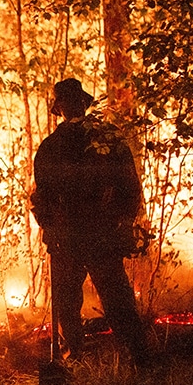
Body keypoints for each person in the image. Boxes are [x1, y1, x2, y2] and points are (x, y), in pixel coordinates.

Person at [31, 78, 150, 365]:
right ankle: (78, 362)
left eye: (74, 101)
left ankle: (137, 359)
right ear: (60, 107)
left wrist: (121, 222)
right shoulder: (55, 147)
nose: (71, 106)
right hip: (72, 238)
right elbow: (42, 198)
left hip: (97, 236)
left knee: (115, 300)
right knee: (69, 305)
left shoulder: (104, 140)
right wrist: (51, 228)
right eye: (67, 101)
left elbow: (129, 188)